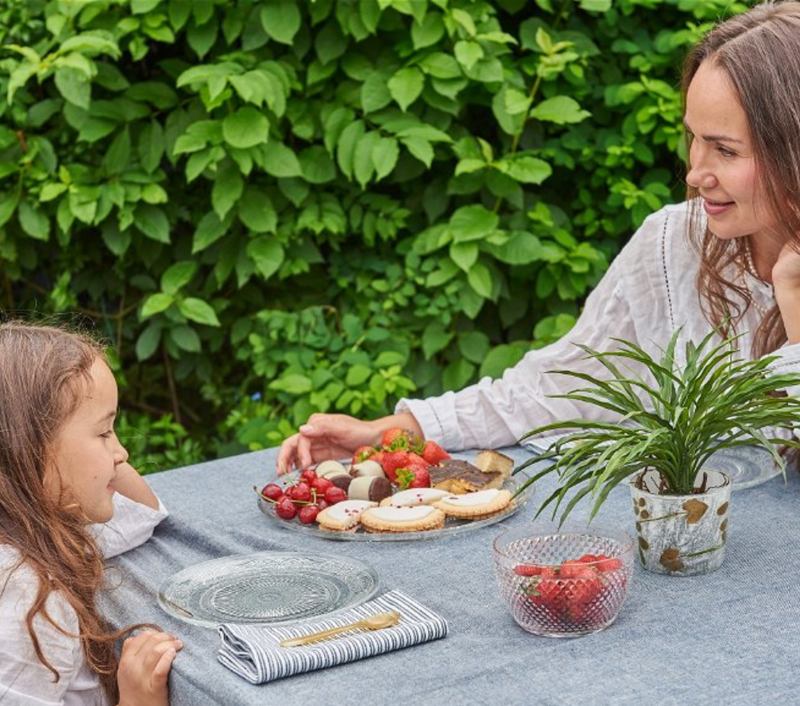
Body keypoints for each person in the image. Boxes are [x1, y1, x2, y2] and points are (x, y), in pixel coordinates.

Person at [277, 0, 800, 474]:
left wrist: (793, 298)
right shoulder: (675, 241)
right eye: (694, 139)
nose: (695, 173)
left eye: (726, 151)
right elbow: (558, 386)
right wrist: (393, 433)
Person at [0, 322, 181, 706]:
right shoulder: (24, 592)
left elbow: (142, 515)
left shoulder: (39, 525)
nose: (121, 453)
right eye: (105, 432)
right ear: (31, 452)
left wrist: (98, 450)